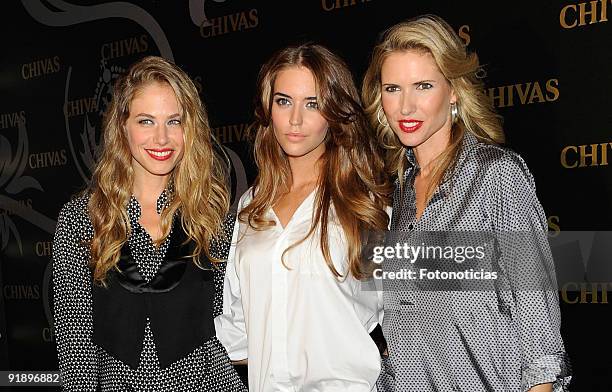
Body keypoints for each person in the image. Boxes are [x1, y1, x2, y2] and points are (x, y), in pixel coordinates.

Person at [361, 15, 571, 392]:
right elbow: (399, 325)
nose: (405, 106)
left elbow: (539, 333)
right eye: (392, 88)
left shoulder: (496, 176)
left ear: (454, 90)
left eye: (423, 86)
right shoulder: (396, 193)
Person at [52, 56, 246, 391]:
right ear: (122, 127)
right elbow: (76, 350)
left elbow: (220, 336)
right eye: (146, 121)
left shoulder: (211, 219)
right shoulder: (83, 219)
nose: (161, 138)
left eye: (174, 121)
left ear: (190, 130)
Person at [214, 43, 391, 391]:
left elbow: (418, 315)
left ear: (336, 112)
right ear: (269, 109)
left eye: (312, 104)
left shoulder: (365, 205)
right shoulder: (251, 207)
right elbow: (237, 329)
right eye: (284, 101)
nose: (295, 119)